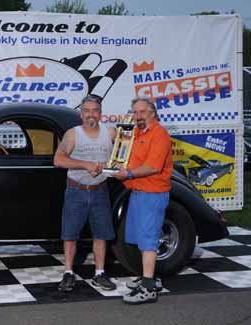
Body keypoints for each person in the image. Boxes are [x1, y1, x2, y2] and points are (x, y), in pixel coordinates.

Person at [54, 94, 117, 292]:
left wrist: (118, 166)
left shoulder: (112, 133)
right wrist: (85, 164)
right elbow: (58, 160)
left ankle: (99, 273)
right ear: (82, 114)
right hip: (76, 190)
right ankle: (68, 272)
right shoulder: (73, 134)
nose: (91, 114)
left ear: (100, 113)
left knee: (101, 234)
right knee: (70, 234)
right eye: (87, 111)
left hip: (100, 190)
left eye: (95, 110)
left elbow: (123, 156)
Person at [114, 96, 173, 305]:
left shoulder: (160, 135)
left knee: (148, 240)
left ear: (153, 113)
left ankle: (148, 288)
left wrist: (127, 174)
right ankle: (149, 277)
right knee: (140, 238)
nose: (137, 116)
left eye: (142, 112)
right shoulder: (138, 133)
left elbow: (153, 167)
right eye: (135, 112)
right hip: (138, 193)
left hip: (152, 194)